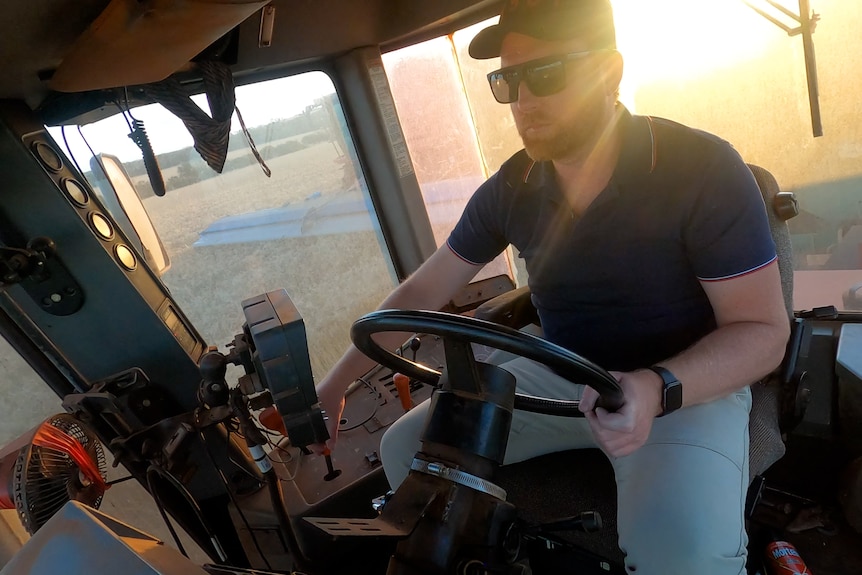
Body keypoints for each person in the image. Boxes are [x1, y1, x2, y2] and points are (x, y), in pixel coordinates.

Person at [314, 0, 790, 573]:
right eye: (507, 81)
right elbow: (425, 291)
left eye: (545, 74)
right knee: (404, 450)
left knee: (683, 556)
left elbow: (764, 333)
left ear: (608, 72)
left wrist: (654, 387)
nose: (523, 101)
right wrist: (334, 385)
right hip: (558, 373)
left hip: (680, 387)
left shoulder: (700, 168)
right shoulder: (514, 187)